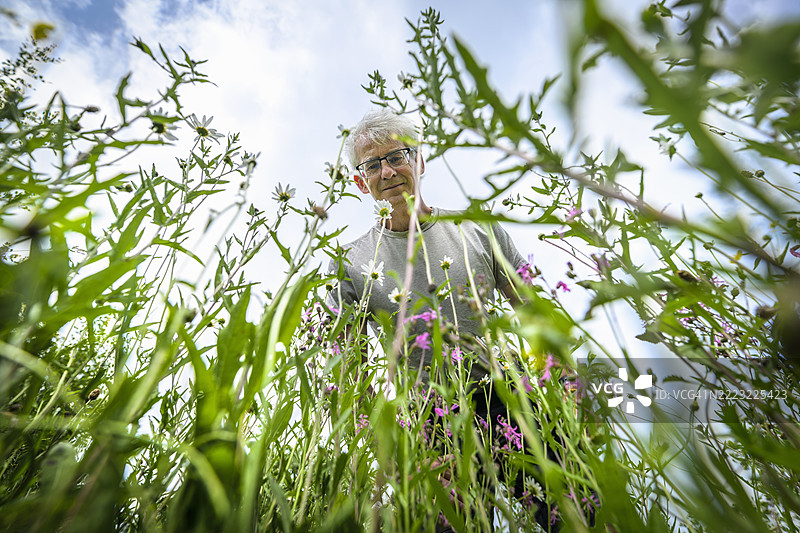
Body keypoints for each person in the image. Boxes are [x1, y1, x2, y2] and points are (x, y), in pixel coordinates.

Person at [327, 108, 557, 531]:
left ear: (420, 160)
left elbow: (533, 310)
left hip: (510, 392)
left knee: (576, 512)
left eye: (397, 156)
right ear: (361, 183)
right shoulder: (351, 263)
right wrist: (389, 446)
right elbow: (346, 370)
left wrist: (559, 385)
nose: (388, 171)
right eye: (373, 164)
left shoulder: (476, 227)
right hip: (430, 418)